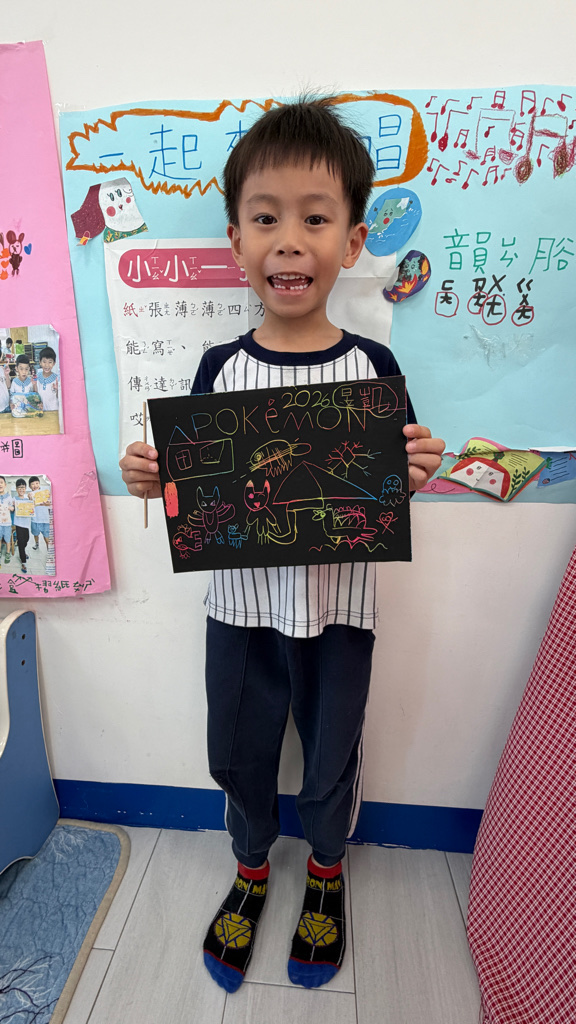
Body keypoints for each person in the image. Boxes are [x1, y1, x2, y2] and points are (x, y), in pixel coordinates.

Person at [120, 97, 445, 995]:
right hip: (240, 608)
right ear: (236, 241)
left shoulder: (373, 370)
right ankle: (252, 865)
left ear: (353, 240)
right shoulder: (220, 369)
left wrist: (414, 468)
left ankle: (328, 871)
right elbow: (191, 487)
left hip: (340, 609)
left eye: (315, 219)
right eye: (266, 219)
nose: (290, 242)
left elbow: (391, 479)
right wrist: (154, 477)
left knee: (332, 749)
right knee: (237, 747)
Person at [13, 477, 32, 572]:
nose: (21, 489)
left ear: (25, 488)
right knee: (21, 542)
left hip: (26, 524)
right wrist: (12, 506)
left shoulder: (27, 499)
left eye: (23, 487)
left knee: (26, 540)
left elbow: (32, 509)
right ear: (17, 489)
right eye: (19, 487)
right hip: (18, 524)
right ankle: (23, 562)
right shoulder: (14, 499)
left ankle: (22, 551)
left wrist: (31, 500)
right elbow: (11, 508)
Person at [28, 476, 51, 552]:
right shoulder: (30, 494)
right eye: (32, 484)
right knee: (35, 534)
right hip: (35, 519)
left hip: (45, 520)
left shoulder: (45, 492)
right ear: (30, 486)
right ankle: (36, 544)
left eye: (37, 483)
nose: (35, 485)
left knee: (47, 538)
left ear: (39, 484)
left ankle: (49, 551)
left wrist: (47, 504)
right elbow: (29, 505)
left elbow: (50, 503)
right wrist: (30, 498)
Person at [35, 346, 60, 411]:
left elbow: (60, 398)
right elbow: (34, 395)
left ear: (54, 363)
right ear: (40, 362)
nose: (47, 365)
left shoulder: (57, 379)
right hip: (40, 412)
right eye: (44, 362)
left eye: (50, 362)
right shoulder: (37, 377)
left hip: (54, 412)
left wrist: (57, 390)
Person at [0, 476, 14, 564]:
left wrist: (11, 508)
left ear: (5, 485)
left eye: (1, 482)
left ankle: (8, 553)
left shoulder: (9, 497)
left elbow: (12, 507)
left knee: (8, 540)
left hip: (7, 523)